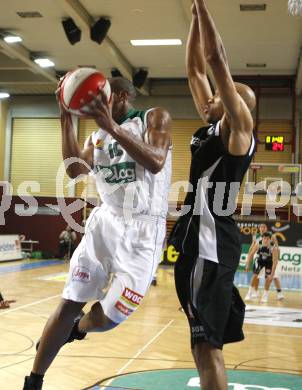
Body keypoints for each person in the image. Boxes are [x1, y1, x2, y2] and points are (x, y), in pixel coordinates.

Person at [23, 77, 172, 389]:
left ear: (117, 96)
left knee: (109, 317)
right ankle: (33, 381)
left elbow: (157, 162)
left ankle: (78, 329)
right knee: (69, 300)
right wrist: (65, 116)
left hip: (143, 228)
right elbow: (75, 170)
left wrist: (114, 128)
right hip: (106, 220)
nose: (91, 107)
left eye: (96, 99)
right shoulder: (96, 136)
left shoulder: (153, 117)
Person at [169, 1, 256, 389]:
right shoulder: (210, 128)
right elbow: (193, 69)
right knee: (202, 344)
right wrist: (192, 20)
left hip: (209, 240)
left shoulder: (238, 130)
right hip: (201, 239)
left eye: (219, 97)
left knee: (207, 347)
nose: (209, 99)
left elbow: (215, 59)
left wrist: (203, 7)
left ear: (234, 106)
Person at [245, 223, 284, 301]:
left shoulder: (272, 238)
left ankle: (278, 293)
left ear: (266, 228)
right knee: (256, 275)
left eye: (263, 227)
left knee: (273, 277)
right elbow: (251, 251)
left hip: (271, 260)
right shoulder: (257, 239)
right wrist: (247, 264)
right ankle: (253, 292)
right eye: (261, 227)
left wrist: (277, 259)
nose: (262, 228)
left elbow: (277, 249)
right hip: (260, 258)